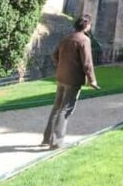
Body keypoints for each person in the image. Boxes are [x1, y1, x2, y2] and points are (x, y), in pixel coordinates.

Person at [42, 14, 99, 149]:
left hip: (61, 76)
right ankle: (56, 142)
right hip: (73, 79)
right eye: (89, 24)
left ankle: (47, 138)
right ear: (86, 26)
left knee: (57, 108)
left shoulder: (66, 38)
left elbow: (54, 55)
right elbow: (87, 63)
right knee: (65, 109)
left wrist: (61, 65)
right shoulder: (84, 40)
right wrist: (93, 80)